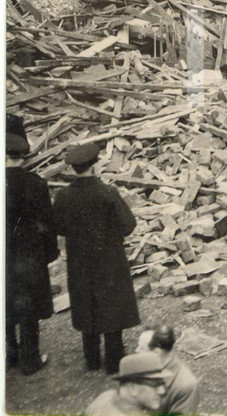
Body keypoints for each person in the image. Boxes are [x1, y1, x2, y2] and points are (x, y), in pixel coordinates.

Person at [52, 143, 141, 374]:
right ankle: (114, 361)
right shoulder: (108, 193)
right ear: (94, 165)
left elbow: (59, 227)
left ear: (73, 169)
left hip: (80, 261)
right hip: (109, 259)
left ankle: (91, 360)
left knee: (86, 305)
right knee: (112, 307)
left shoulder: (63, 196)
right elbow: (128, 225)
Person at [6, 132, 59, 376]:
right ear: (22, 157)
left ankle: (8, 356)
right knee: (28, 308)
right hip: (29, 257)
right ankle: (30, 359)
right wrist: (49, 253)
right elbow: (47, 223)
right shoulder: (36, 183)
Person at [136, 326, 200, 415]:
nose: (137, 350)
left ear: (156, 352)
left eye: (141, 348)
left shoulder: (186, 386)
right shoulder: (145, 366)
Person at [85, 352, 168, 416]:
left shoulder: (105, 397)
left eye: (162, 383)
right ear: (133, 388)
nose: (162, 391)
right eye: (155, 385)